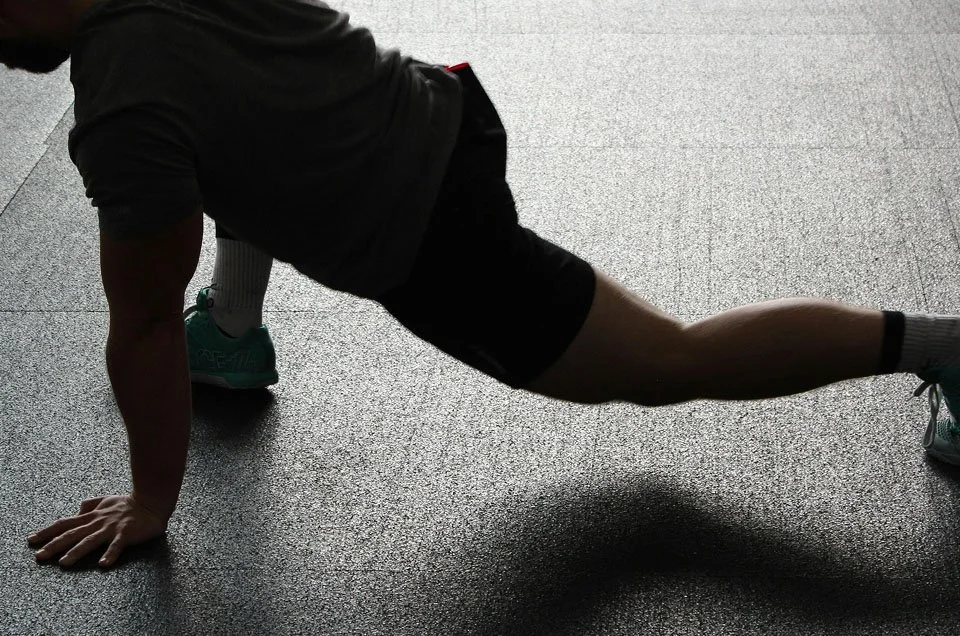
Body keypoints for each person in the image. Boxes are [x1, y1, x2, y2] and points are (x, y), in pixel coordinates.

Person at [3, 0, 958, 570]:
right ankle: (235, 326)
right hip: (435, 103)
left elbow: (142, 325)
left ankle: (944, 345)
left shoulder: (123, 105)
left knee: (671, 361)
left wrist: (152, 502)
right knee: (232, 121)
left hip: (432, 239)